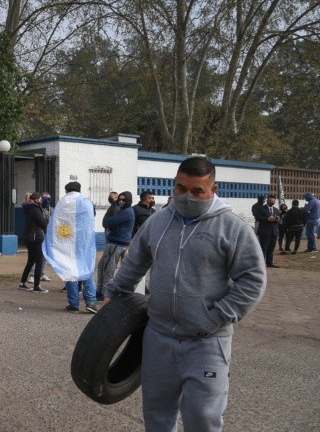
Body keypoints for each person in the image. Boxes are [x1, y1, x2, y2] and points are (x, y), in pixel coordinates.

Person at [104, 156, 266, 432]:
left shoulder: (232, 228)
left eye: (197, 191)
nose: (187, 196)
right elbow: (135, 262)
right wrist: (114, 293)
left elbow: (253, 280)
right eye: (180, 188)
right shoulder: (158, 222)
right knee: (157, 416)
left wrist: (216, 317)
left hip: (206, 342)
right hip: (158, 338)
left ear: (213, 190)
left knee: (202, 418)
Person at [43, 182, 98, 313]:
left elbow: (54, 223)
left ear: (66, 190)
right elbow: (91, 219)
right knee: (86, 270)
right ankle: (91, 302)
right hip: (83, 243)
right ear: (79, 188)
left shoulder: (62, 203)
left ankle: (73, 305)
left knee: (69, 271)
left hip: (65, 242)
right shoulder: (86, 202)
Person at [96, 191, 134, 301]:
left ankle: (104, 294)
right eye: (119, 199)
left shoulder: (125, 212)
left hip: (117, 243)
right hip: (116, 242)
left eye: (123, 200)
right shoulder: (122, 210)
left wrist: (110, 220)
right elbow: (108, 223)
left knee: (108, 270)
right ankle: (99, 291)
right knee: (101, 267)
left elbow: (109, 222)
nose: (121, 201)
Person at [19, 192, 49, 293]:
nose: (41, 201)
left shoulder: (29, 208)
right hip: (35, 238)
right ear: (37, 200)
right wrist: (45, 217)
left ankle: (22, 283)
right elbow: (44, 223)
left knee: (31, 261)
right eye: (40, 199)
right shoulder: (35, 209)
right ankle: (37, 286)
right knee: (39, 261)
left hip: (29, 238)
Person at [253, 194, 280, 268]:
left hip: (274, 232)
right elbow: (257, 217)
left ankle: (270, 263)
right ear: (267, 200)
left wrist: (277, 219)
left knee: (271, 248)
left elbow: (279, 219)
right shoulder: (261, 208)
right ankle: (261, 264)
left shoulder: (276, 210)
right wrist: (268, 219)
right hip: (264, 231)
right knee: (263, 248)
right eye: (270, 200)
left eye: (273, 201)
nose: (272, 202)